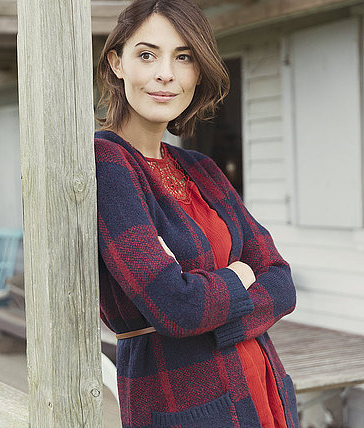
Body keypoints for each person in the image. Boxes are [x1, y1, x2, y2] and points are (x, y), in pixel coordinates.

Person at [94, 1, 298, 427]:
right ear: (117, 63)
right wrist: (238, 276)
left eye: (183, 56)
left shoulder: (200, 169)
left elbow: (280, 280)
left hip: (262, 387)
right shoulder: (107, 162)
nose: (165, 73)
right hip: (182, 398)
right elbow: (174, 306)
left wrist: (215, 309)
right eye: (146, 55)